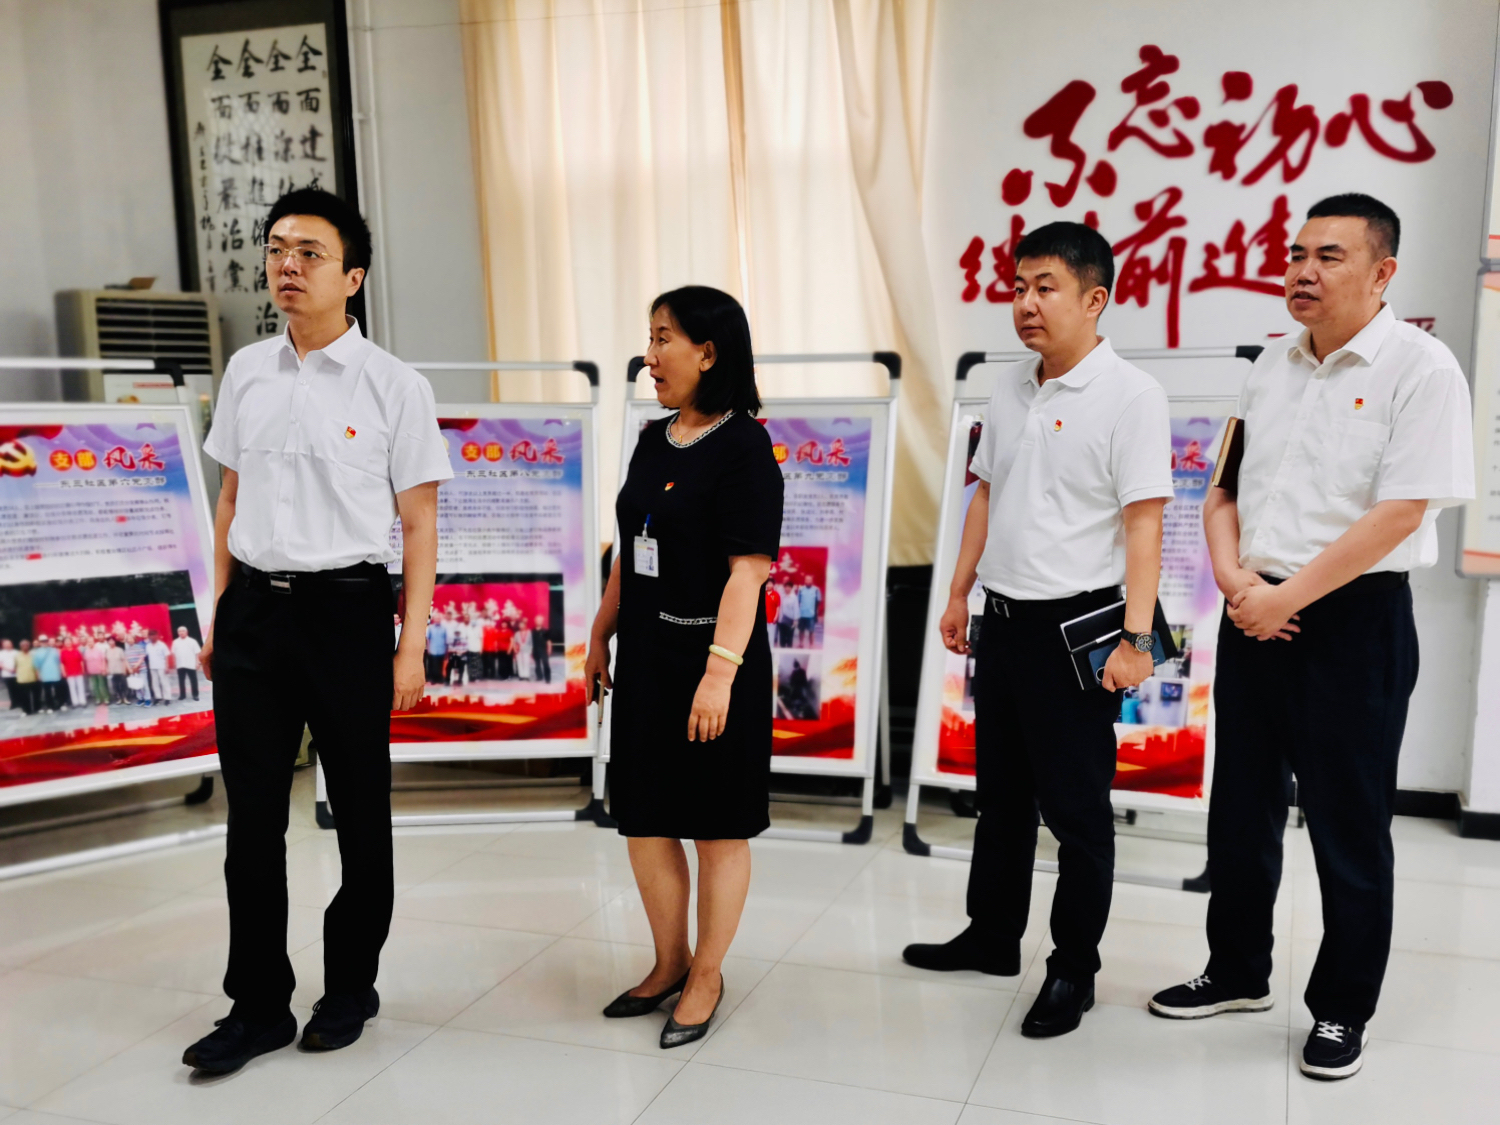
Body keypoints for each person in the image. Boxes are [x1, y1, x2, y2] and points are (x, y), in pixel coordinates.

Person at [1149, 195, 1475, 1081]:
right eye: (1296, 254)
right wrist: (1236, 581)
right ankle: (1236, 970)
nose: (1302, 271)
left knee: (1348, 821)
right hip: (1255, 604)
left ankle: (1341, 1007)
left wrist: (1286, 594)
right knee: (1241, 805)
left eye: (1329, 256)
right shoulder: (1271, 366)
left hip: (1352, 621)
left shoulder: (1422, 368)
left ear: (1382, 271)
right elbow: (1222, 488)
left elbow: (1401, 511)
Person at [182, 188, 451, 1076]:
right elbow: (230, 499)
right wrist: (220, 610)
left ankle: (350, 987)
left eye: (309, 252)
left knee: (359, 813)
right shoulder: (247, 373)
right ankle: (257, 1004)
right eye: (276, 249)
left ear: (353, 276)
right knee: (252, 822)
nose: (287, 265)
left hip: (346, 613)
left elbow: (419, 525)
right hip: (254, 615)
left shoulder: (394, 385)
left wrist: (410, 645)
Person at [901, 222, 1174, 1039]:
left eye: (1044, 287)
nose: (1025, 302)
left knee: (1078, 813)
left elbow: (1145, 527)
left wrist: (1135, 641)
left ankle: (1072, 967)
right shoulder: (1010, 388)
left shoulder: (1133, 396)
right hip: (1005, 623)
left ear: (1095, 298)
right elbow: (985, 493)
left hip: (1076, 631)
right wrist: (959, 591)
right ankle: (991, 935)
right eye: (1018, 286)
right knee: (1001, 800)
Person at [586, 285, 782, 1049]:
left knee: (716, 826)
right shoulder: (653, 437)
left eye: (664, 338)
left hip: (713, 662)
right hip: (646, 657)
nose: (650, 355)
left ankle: (707, 973)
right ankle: (668, 960)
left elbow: (747, 573)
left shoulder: (746, 448)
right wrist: (601, 632)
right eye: (649, 337)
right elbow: (629, 549)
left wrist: (719, 674)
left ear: (709, 351)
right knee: (645, 817)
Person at [32, 635, 65, 712]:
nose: (44, 642)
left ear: (47, 641)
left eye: (45, 641)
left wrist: (61, 671)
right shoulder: (37, 652)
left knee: (58, 690)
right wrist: (38, 675)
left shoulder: (54, 650)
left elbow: (58, 662)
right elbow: (36, 665)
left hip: (55, 673)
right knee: (47, 692)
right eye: (42, 641)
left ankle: (60, 705)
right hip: (45, 674)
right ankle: (50, 707)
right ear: (40, 642)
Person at [172, 627, 202, 702]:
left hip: (191, 664)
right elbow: (173, 653)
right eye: (179, 631)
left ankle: (195, 695)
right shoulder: (175, 642)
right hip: (180, 664)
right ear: (178, 633)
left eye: (183, 631)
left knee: (193, 680)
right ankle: (182, 695)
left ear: (186, 632)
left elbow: (197, 653)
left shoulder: (192, 641)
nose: (181, 632)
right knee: (181, 681)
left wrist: (198, 662)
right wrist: (174, 663)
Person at [146, 631, 171, 705]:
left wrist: (167, 666)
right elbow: (147, 656)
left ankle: (167, 698)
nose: (152, 637)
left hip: (162, 666)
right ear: (149, 637)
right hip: (152, 667)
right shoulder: (148, 646)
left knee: (164, 682)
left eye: (154, 635)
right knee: (155, 682)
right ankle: (158, 697)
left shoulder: (162, 645)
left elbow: (166, 656)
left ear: (157, 636)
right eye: (150, 636)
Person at [60, 637, 86, 707]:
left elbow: (81, 661)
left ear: (71, 642)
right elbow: (62, 663)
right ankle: (75, 702)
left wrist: (83, 669)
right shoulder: (63, 652)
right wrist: (63, 672)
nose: (68, 642)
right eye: (66, 641)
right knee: (72, 688)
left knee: (80, 687)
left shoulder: (76, 650)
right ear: (64, 643)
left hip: (78, 671)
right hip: (69, 672)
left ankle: (82, 701)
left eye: (69, 641)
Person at [84, 635, 110, 705]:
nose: (90, 643)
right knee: (95, 686)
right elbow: (86, 661)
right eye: (88, 642)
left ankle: (106, 698)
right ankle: (98, 699)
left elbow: (103, 660)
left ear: (94, 642)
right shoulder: (86, 651)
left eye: (91, 641)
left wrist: (104, 669)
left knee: (102, 686)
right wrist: (87, 670)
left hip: (100, 670)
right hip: (91, 671)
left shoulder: (99, 650)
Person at [424, 611, 448, 683]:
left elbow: (446, 639)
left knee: (440, 665)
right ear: (434, 619)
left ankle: (440, 679)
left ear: (441, 619)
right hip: (433, 649)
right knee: (434, 666)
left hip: (441, 649)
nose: (438, 620)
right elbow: (428, 639)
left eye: (439, 619)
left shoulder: (444, 628)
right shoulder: (430, 628)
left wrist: (446, 649)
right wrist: (429, 649)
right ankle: (433, 679)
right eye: (436, 618)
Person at [795, 580, 820, 647]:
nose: (808, 582)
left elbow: (818, 601)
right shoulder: (801, 589)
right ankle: (801, 643)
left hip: (811, 615)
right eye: (807, 580)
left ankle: (811, 645)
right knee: (801, 630)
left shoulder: (816, 590)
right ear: (805, 581)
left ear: (812, 581)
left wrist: (815, 612)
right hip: (802, 614)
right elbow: (798, 601)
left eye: (809, 580)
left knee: (811, 631)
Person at [106, 638, 129, 704]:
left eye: (112, 641)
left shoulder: (119, 650)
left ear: (114, 642)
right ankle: (119, 698)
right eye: (110, 641)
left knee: (123, 685)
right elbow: (106, 661)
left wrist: (124, 669)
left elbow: (124, 660)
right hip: (112, 671)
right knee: (116, 686)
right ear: (108, 642)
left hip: (120, 670)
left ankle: (125, 698)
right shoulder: (107, 651)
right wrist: (107, 669)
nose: (111, 642)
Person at [776, 582, 797, 648]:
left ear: (791, 588)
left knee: (789, 637)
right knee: (782, 636)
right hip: (781, 619)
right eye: (786, 587)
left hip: (790, 619)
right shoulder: (781, 596)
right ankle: (782, 648)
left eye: (789, 587)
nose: (787, 588)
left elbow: (796, 609)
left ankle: (789, 650)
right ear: (784, 587)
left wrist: (795, 620)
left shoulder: (794, 597)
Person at [0, 639, 18, 714]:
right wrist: (9, 669)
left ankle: (19, 702)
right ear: (3, 645)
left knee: (18, 689)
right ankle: (13, 703)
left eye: (9, 644)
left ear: (11, 644)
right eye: (6, 644)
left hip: (17, 674)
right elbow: (0, 664)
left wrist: (16, 669)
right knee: (10, 690)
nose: (7, 645)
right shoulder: (1, 653)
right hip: (6, 674)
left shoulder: (16, 652)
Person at [531, 615, 551, 683]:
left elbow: (548, 641)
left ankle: (548, 679)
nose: (539, 622)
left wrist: (549, 649)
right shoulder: (532, 631)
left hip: (543, 650)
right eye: (537, 620)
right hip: (535, 649)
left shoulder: (546, 631)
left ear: (542, 621)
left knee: (546, 664)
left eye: (540, 620)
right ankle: (539, 676)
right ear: (535, 621)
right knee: (537, 664)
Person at [764, 583, 781, 648]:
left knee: (771, 634)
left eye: (770, 584)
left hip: (772, 618)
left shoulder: (776, 595)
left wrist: (776, 617)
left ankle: (771, 647)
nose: (768, 586)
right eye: (767, 584)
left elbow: (778, 607)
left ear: (773, 585)